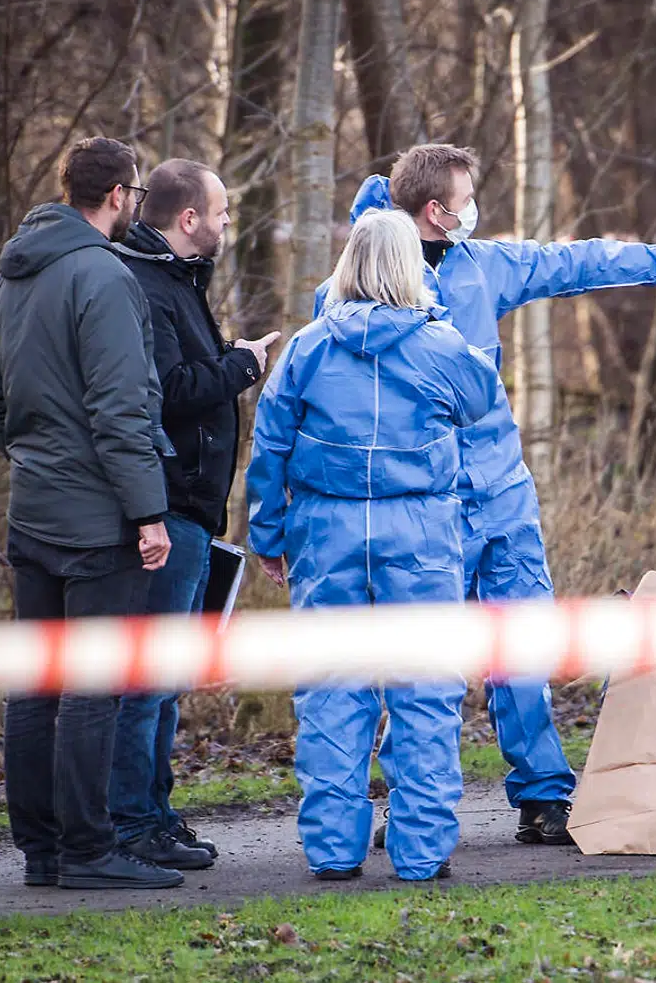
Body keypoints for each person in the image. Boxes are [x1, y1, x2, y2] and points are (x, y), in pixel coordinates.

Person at [330, 145, 656, 849]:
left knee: (523, 652)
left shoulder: (484, 265)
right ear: (434, 210)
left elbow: (568, 263)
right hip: (426, 507)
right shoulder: (356, 289)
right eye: (466, 196)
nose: (474, 208)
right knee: (427, 666)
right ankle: (412, 801)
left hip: (503, 496)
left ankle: (544, 796)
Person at [247, 209, 499, 881]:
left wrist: (267, 533)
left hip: (326, 534)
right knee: (424, 690)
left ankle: (333, 849)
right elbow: (483, 400)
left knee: (332, 689)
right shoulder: (440, 345)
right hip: (418, 534)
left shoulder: (307, 347)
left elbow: (269, 446)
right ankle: (420, 853)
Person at [0, 137, 185, 889]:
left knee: (36, 688)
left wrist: (39, 460)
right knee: (90, 687)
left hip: (33, 513)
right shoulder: (104, 275)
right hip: (99, 523)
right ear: (121, 195)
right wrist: (148, 512)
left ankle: (43, 852)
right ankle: (89, 851)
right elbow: (123, 408)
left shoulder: (12, 273)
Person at [109, 158, 281, 871]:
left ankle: (156, 811)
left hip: (190, 511)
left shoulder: (178, 280)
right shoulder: (146, 287)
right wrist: (241, 365)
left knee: (167, 679)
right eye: (223, 211)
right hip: (167, 507)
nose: (228, 223)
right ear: (189, 220)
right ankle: (132, 822)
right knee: (146, 680)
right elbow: (171, 389)